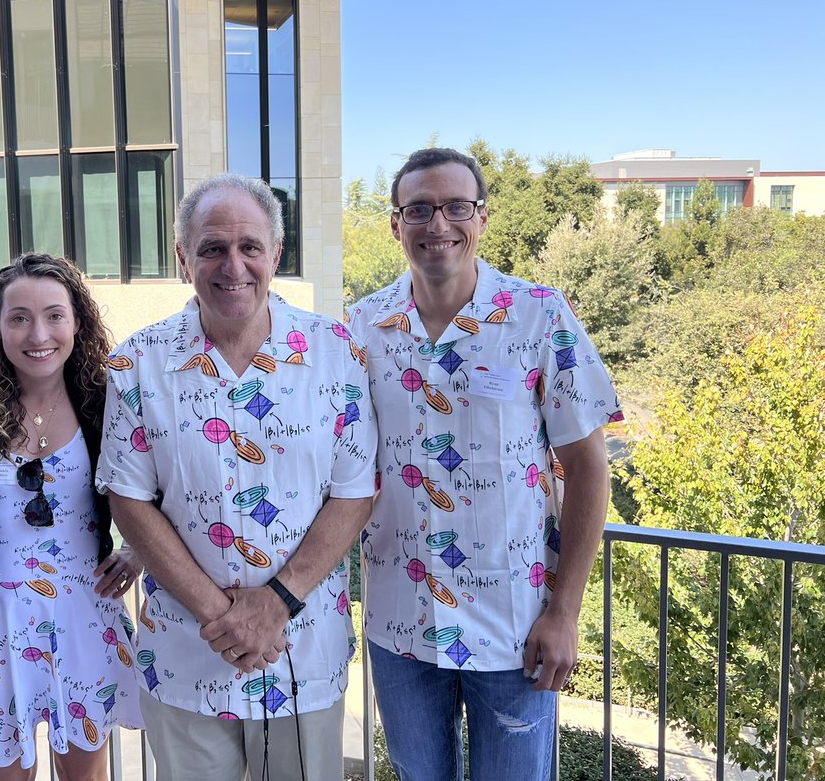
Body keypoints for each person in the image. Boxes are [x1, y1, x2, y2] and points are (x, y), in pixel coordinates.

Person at [348, 147, 623, 781]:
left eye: (455, 207)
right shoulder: (361, 329)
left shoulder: (540, 315)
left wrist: (565, 612)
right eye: (418, 208)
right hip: (401, 623)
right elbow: (327, 463)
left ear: (482, 217)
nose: (437, 223)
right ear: (396, 224)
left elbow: (587, 469)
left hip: (514, 625)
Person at [96, 174, 377, 781]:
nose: (233, 266)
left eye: (250, 247)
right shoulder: (137, 363)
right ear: (182, 258)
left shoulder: (335, 351)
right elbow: (129, 497)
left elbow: (354, 490)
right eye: (211, 248)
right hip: (185, 654)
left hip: (301, 651)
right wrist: (221, 617)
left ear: (276, 254)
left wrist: (275, 603)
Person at [0, 253, 143, 780]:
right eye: (18, 317)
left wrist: (136, 552)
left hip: (85, 615)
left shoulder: (106, 401)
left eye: (54, 315)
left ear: (77, 321)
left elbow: (159, 492)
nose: (37, 333)